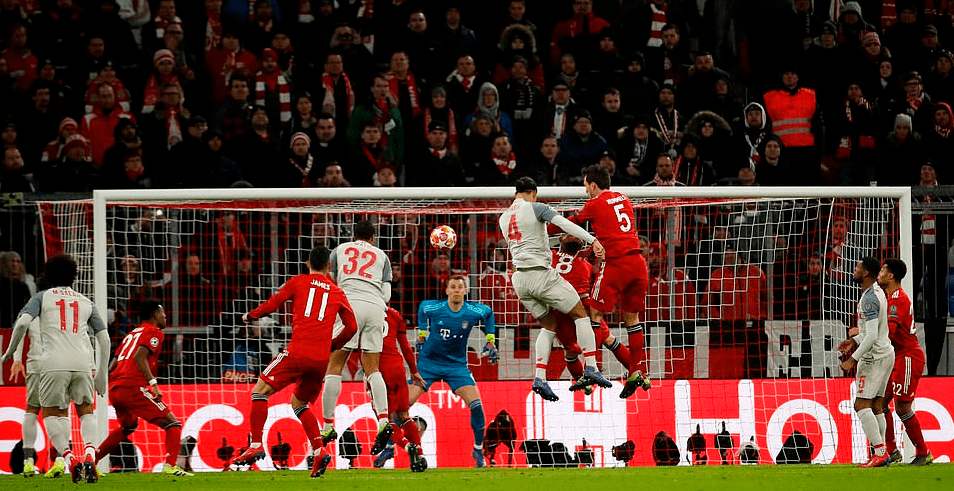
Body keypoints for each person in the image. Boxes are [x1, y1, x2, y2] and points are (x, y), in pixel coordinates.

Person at [231, 246, 358, 479]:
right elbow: (352, 327)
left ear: (308, 263)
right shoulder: (337, 291)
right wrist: (332, 345)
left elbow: (273, 304)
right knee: (300, 404)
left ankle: (256, 444)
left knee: (259, 392)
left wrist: (251, 315)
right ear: (329, 266)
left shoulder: (298, 282)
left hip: (297, 352)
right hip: (320, 360)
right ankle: (319, 451)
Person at [498, 176, 610, 403]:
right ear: (533, 193)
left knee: (549, 325)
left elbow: (527, 240)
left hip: (519, 280)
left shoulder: (503, 217)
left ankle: (540, 377)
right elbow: (564, 224)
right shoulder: (537, 207)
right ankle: (591, 366)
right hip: (540, 274)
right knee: (581, 314)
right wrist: (592, 240)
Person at [1, 255, 110, 483]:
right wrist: (102, 374)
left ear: (48, 275)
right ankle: (90, 454)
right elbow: (104, 339)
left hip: (52, 364)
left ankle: (70, 458)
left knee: (52, 413)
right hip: (83, 363)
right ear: (74, 276)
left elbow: (22, 323)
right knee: (86, 411)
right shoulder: (86, 301)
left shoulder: (41, 297)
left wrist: (10, 351)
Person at [569, 165, 651, 398]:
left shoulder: (595, 203)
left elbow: (573, 224)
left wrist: (545, 226)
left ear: (593, 185)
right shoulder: (624, 198)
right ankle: (635, 371)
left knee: (595, 315)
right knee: (632, 319)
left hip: (616, 265)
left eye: (586, 187)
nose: (586, 191)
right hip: (638, 264)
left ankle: (591, 369)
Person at [92, 301, 192, 476]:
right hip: (132, 387)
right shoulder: (154, 332)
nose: (165, 316)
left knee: (128, 426)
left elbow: (114, 362)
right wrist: (153, 384)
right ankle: (170, 466)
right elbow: (140, 357)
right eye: (162, 312)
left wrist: (106, 381)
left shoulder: (132, 334)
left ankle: (92, 461)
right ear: (154, 314)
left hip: (115, 387)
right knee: (173, 424)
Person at [321, 221, 394, 458]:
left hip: (349, 304)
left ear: (354, 235)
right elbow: (387, 294)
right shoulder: (382, 256)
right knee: (373, 368)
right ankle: (383, 419)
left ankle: (327, 424)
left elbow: (331, 281)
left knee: (335, 365)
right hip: (375, 307)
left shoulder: (339, 251)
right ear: (372, 237)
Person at [409, 276, 497, 468]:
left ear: (465, 291)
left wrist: (491, 340)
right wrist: (422, 333)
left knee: (477, 406)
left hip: (456, 366)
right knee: (403, 405)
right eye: (453, 287)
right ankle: (392, 445)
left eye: (460, 287)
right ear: (447, 291)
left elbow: (489, 313)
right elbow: (423, 307)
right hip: (428, 364)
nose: (457, 290)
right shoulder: (435, 308)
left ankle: (477, 449)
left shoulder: (473, 311)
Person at [873, 259, 933, 465]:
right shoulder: (889, 297)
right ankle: (892, 451)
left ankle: (923, 452)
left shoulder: (898, 298)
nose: (879, 273)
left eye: (883, 270)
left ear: (891, 275)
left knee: (902, 407)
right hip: (896, 357)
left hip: (907, 357)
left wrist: (865, 339)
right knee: (880, 403)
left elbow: (889, 333)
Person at [837, 257, 895, 468]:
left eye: (858, 267)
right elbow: (874, 332)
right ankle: (882, 453)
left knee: (861, 405)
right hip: (886, 353)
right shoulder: (877, 292)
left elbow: (871, 336)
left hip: (873, 358)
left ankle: (880, 452)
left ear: (867, 273)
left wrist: (852, 359)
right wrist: (853, 341)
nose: (854, 270)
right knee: (877, 406)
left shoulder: (869, 298)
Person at [372, 307, 426, 471]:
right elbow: (405, 347)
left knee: (385, 418)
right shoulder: (395, 315)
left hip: (378, 369)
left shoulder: (365, 311)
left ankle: (407, 446)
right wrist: (414, 371)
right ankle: (420, 455)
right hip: (397, 368)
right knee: (404, 416)